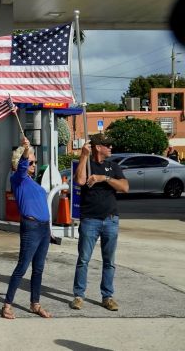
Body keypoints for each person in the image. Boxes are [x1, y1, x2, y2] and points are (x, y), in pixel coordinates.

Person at [70, 133, 128, 311]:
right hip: (90, 220)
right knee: (84, 259)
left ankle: (107, 296)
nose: (111, 147)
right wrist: (83, 155)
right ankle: (79, 296)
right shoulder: (87, 164)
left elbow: (125, 187)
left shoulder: (113, 167)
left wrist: (105, 179)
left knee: (109, 261)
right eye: (107, 145)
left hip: (111, 220)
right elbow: (79, 180)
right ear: (97, 147)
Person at [1, 137, 52, 319]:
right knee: (22, 266)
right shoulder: (17, 178)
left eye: (35, 162)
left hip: (44, 228)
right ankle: (7, 304)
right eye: (31, 161)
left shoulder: (30, 181)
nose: (34, 164)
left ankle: (35, 304)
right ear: (20, 162)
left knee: (38, 268)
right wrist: (25, 150)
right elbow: (22, 168)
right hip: (31, 227)